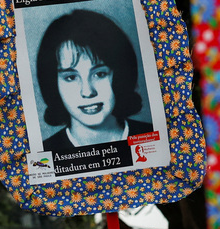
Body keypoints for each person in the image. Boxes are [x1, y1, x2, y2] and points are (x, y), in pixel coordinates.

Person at [35, 9, 152, 155]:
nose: (88, 92)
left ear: (121, 76)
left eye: (100, 74)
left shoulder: (152, 138)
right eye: (71, 77)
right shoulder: (42, 156)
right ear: (53, 85)